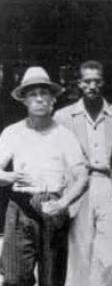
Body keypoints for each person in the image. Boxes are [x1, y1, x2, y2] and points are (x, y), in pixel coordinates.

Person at [0, 66, 89, 286]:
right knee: (14, 277)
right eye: (33, 94)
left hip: (53, 207)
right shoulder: (13, 132)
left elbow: (82, 177)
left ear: (53, 99)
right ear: (24, 101)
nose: (39, 99)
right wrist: (9, 177)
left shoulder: (64, 135)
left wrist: (63, 203)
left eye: (44, 93)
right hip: (20, 208)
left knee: (52, 279)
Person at [54, 60, 112, 286]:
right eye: (87, 81)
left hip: (109, 186)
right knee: (80, 252)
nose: (92, 86)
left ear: (103, 82)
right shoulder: (64, 117)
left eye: (97, 81)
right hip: (79, 188)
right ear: (79, 84)